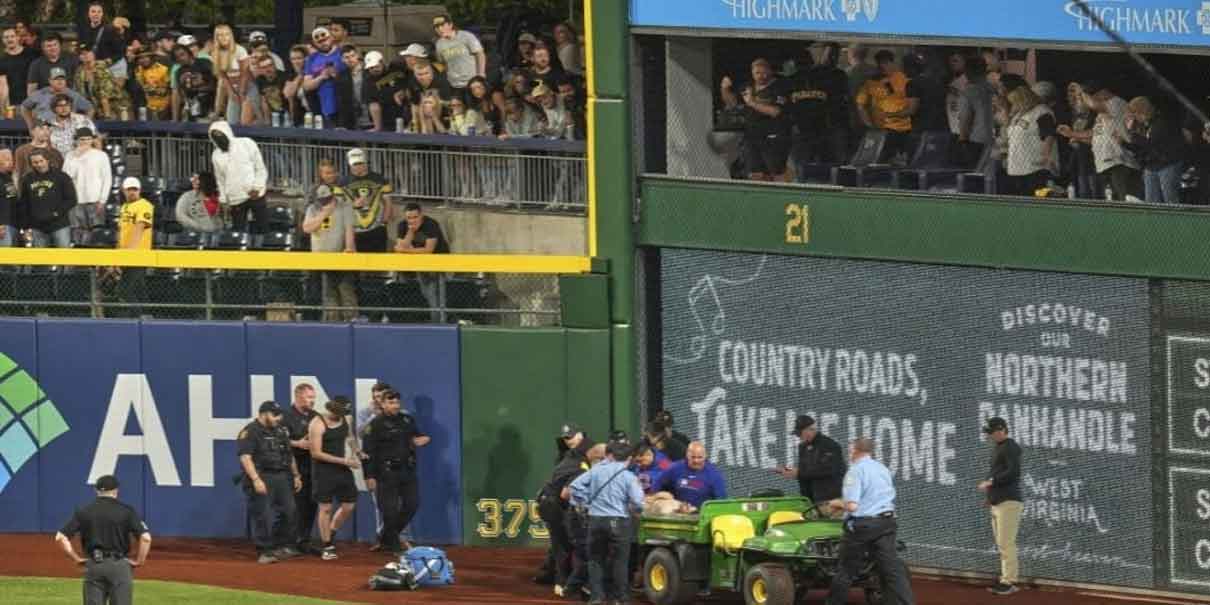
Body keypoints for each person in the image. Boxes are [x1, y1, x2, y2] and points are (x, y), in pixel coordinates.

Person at [824, 437, 915, 605]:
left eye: (850, 450)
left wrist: (834, 503)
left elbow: (851, 506)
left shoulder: (856, 471)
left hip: (863, 527)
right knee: (892, 571)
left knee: (846, 570)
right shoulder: (882, 468)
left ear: (856, 451)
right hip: (887, 523)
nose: (849, 453)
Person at [54, 475, 152, 605]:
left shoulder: (84, 511)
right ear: (116, 491)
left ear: (96, 490)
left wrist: (76, 558)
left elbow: (60, 537)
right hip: (119, 566)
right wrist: (139, 561)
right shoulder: (127, 511)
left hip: (94, 565)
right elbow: (146, 538)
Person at [568, 440, 645, 605]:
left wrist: (585, 501)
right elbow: (638, 502)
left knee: (595, 560)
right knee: (620, 562)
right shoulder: (628, 476)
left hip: (596, 520)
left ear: (611, 455)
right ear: (629, 458)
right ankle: (621, 598)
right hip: (619, 522)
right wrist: (633, 509)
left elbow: (575, 486)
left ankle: (596, 597)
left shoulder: (596, 470)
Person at [363, 389, 431, 554]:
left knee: (412, 505)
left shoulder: (407, 419)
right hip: (386, 472)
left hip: (407, 470)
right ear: (383, 404)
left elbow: (418, 436)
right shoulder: (375, 424)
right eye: (391, 402)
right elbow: (367, 453)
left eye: (397, 402)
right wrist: (369, 476)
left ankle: (386, 537)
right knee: (389, 510)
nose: (395, 406)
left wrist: (423, 439)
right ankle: (393, 545)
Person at [237, 401, 302, 564]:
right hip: (261, 475)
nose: (278, 418)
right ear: (264, 413)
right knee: (263, 514)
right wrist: (256, 479)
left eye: (279, 414)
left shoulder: (280, 431)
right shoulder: (250, 431)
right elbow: (245, 457)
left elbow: (289, 454)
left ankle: (280, 545)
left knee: (290, 511)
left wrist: (296, 475)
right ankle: (264, 550)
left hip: (281, 476)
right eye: (275, 415)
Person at [1057, 81, 1141, 201]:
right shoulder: (1101, 113)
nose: (1088, 99)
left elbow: (1093, 104)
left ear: (1102, 93)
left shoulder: (1116, 102)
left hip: (1120, 161)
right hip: (1105, 163)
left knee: (1124, 200)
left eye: (1092, 95)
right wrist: (1071, 134)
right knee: (1111, 200)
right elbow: (1095, 134)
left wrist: (1081, 91)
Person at [538, 425, 597, 594]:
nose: (568, 440)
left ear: (580, 435)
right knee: (563, 544)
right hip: (554, 503)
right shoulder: (576, 458)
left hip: (555, 502)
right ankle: (563, 582)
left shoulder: (582, 454)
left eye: (570, 437)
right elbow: (566, 494)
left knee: (565, 544)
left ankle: (564, 580)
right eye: (565, 437)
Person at [721, 58, 791, 181]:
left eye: (764, 73)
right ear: (752, 73)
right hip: (751, 136)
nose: (761, 76)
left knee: (776, 172)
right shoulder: (748, 87)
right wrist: (725, 89)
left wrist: (752, 103)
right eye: (757, 73)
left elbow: (776, 111)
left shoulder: (779, 87)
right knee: (755, 173)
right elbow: (732, 103)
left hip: (773, 136)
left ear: (770, 72)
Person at [308, 396, 361, 561]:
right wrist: (345, 461)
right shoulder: (317, 423)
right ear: (332, 408)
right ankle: (327, 545)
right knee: (325, 508)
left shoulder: (347, 418)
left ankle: (330, 533)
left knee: (349, 505)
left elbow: (350, 437)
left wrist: (357, 451)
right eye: (339, 412)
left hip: (341, 469)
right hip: (323, 471)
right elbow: (315, 453)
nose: (341, 415)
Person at [977, 417, 1023, 596]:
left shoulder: (1010, 447)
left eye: (991, 432)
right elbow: (998, 472)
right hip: (999, 501)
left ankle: (1009, 581)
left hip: (1009, 502)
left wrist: (991, 482)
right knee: (1002, 543)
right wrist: (991, 496)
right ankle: (1006, 579)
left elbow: (1013, 472)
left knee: (1006, 543)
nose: (989, 435)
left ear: (1001, 429)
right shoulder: (1000, 447)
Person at [303, 181, 356, 320]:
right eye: (322, 200)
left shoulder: (345, 206)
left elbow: (349, 231)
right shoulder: (312, 208)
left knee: (346, 290)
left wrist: (349, 248)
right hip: (319, 258)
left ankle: (352, 320)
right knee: (328, 293)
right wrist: (324, 213)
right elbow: (307, 228)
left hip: (339, 256)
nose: (325, 202)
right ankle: (332, 321)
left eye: (327, 199)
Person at [777, 415, 845, 517]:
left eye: (800, 433)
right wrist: (790, 471)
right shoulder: (802, 447)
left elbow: (829, 470)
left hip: (831, 500)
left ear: (810, 430)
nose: (798, 437)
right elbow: (806, 471)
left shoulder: (830, 446)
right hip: (810, 502)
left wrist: (799, 472)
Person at [1123, 96, 1187, 204]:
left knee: (1170, 199)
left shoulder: (1162, 121)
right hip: (1152, 165)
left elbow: (1151, 144)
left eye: (1135, 114)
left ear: (1141, 111)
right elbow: (1143, 147)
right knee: (1151, 200)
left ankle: (1174, 220)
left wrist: (1133, 134)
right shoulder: (1147, 124)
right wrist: (1123, 143)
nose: (1134, 117)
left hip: (1167, 164)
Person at [855, 50, 917, 163]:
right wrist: (869, 125)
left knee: (903, 162)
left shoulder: (904, 79)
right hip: (882, 130)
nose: (882, 66)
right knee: (879, 162)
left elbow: (912, 106)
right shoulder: (870, 82)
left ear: (893, 62)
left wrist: (894, 114)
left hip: (905, 129)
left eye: (886, 62)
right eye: (879, 63)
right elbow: (860, 105)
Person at [208, 120, 268, 233]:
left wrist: (257, 187)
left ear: (226, 132)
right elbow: (220, 180)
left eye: (220, 134)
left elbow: (260, 168)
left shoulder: (246, 143)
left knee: (263, 229)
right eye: (214, 135)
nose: (218, 138)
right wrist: (223, 200)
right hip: (235, 199)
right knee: (238, 232)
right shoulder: (216, 155)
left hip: (255, 194)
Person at [280, 383, 319, 554]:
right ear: (298, 396)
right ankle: (288, 543)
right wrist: (298, 443)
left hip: (313, 468)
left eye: (313, 397)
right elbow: (278, 440)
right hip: (293, 468)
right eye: (309, 397)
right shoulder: (285, 416)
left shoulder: (316, 416)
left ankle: (304, 540)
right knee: (294, 507)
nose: (312, 401)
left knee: (311, 506)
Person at [395, 201, 449, 316]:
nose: (412, 221)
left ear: (421, 215)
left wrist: (406, 250)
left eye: (415, 217)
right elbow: (401, 249)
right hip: (419, 262)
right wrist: (411, 232)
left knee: (435, 293)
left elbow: (428, 250)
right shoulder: (402, 225)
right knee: (427, 293)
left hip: (438, 261)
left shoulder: (431, 224)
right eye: (409, 218)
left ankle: (439, 321)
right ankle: (436, 318)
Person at [1003, 86, 1058, 197]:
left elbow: (1049, 135)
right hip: (1017, 167)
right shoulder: (1019, 114)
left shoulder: (1042, 112)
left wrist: (1046, 157)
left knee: (1036, 200)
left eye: (1016, 102)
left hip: (1035, 167)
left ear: (1025, 99)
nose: (1014, 106)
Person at [19, 148, 76, 248]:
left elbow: (71, 199)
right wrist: (25, 226)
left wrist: (56, 213)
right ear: (31, 164)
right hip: (37, 227)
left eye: (41, 161)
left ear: (48, 160)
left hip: (59, 225)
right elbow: (24, 204)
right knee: (40, 261)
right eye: (35, 162)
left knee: (65, 258)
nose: (39, 165)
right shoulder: (27, 179)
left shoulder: (62, 176)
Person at [62, 127, 111, 242]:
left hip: (95, 200)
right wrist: (76, 157)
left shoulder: (101, 155)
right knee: (77, 232)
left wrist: (102, 200)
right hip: (76, 201)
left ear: (92, 140)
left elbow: (107, 179)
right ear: (77, 140)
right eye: (82, 139)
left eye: (88, 139)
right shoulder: (70, 156)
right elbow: (66, 176)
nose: (85, 142)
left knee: (97, 233)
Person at [342, 148, 393, 252]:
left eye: (360, 163)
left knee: (380, 263)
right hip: (355, 229)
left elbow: (388, 202)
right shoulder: (343, 182)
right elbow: (339, 206)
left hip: (377, 228)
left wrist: (384, 222)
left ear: (366, 162)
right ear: (349, 164)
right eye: (354, 164)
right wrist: (353, 206)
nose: (357, 166)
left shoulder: (379, 179)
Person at [656, 441, 726, 508]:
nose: (696, 460)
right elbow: (657, 487)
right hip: (677, 514)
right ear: (687, 455)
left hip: (701, 515)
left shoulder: (714, 475)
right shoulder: (674, 468)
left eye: (699, 457)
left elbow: (721, 502)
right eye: (693, 457)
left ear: (705, 456)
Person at [23, 69, 94, 131]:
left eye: (62, 79)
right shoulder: (40, 94)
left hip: (66, 132)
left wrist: (84, 126)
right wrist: (31, 126)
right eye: (56, 79)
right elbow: (24, 107)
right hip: (44, 131)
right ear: (50, 80)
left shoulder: (74, 95)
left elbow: (90, 108)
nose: (60, 81)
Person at [302, 27, 345, 128]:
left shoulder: (342, 53)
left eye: (325, 39)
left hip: (344, 104)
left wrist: (337, 75)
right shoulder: (311, 59)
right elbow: (306, 86)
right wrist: (322, 76)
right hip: (323, 107)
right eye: (319, 41)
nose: (323, 43)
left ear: (331, 38)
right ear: (314, 43)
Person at [432, 13, 485, 93]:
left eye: (442, 25)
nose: (439, 29)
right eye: (436, 27)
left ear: (450, 25)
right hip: (454, 85)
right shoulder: (439, 44)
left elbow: (480, 54)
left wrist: (481, 74)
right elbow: (442, 63)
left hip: (472, 82)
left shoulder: (466, 36)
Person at [75, 43, 129, 120]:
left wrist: (107, 116)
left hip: (113, 106)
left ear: (93, 54)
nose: (85, 54)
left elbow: (104, 96)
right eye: (81, 53)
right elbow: (79, 93)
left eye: (88, 52)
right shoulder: (79, 72)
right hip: (93, 109)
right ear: (79, 57)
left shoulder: (101, 68)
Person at [43, 91, 98, 157]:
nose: (64, 108)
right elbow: (47, 146)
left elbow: (96, 141)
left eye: (67, 105)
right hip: (59, 162)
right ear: (54, 108)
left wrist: (98, 161)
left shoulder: (82, 120)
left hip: (81, 160)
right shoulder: (49, 124)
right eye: (60, 106)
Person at [172, 44, 215, 122]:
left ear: (189, 53)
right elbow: (180, 94)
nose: (181, 58)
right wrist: (176, 117)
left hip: (210, 108)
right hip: (191, 109)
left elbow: (218, 81)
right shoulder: (179, 72)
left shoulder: (204, 63)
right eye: (177, 57)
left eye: (182, 54)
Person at [15, 120, 63, 188]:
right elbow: (18, 174)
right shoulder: (21, 151)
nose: (46, 132)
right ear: (32, 131)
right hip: (29, 192)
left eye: (48, 129)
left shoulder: (56, 153)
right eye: (42, 129)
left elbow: (60, 175)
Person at [0, 28, 39, 110]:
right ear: (3, 40)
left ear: (18, 38)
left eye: (12, 36)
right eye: (6, 37)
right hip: (13, 104)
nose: (9, 39)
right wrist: (4, 106)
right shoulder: (2, 60)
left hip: (34, 101)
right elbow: (3, 85)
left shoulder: (32, 54)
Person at [133, 50, 170, 120]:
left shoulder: (163, 69)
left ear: (152, 57)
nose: (143, 60)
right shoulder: (137, 70)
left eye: (146, 57)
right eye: (140, 58)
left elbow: (167, 89)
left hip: (163, 107)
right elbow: (140, 87)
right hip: (146, 107)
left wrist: (157, 90)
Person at [0, 149, 15, 246]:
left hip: (11, 222)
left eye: (11, 159)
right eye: (7, 159)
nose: (11, 162)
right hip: (2, 224)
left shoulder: (8, 177)